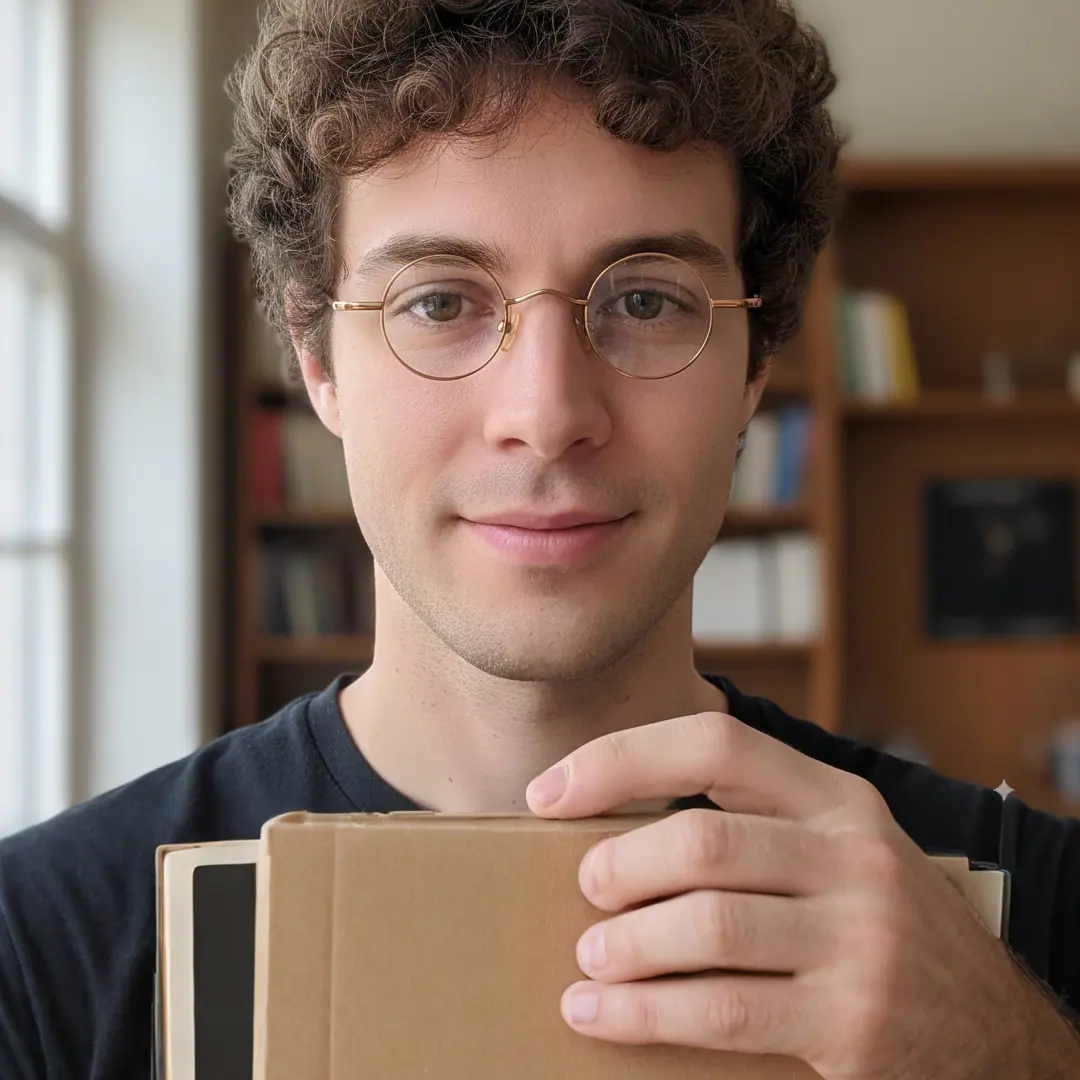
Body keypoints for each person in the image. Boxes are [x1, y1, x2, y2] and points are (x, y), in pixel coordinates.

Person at [1, 1, 1079, 1076]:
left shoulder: (1033, 918)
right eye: (439, 302)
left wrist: (1008, 1056)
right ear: (317, 357)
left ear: (755, 362)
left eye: (648, 301)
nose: (548, 410)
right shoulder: (37, 950)